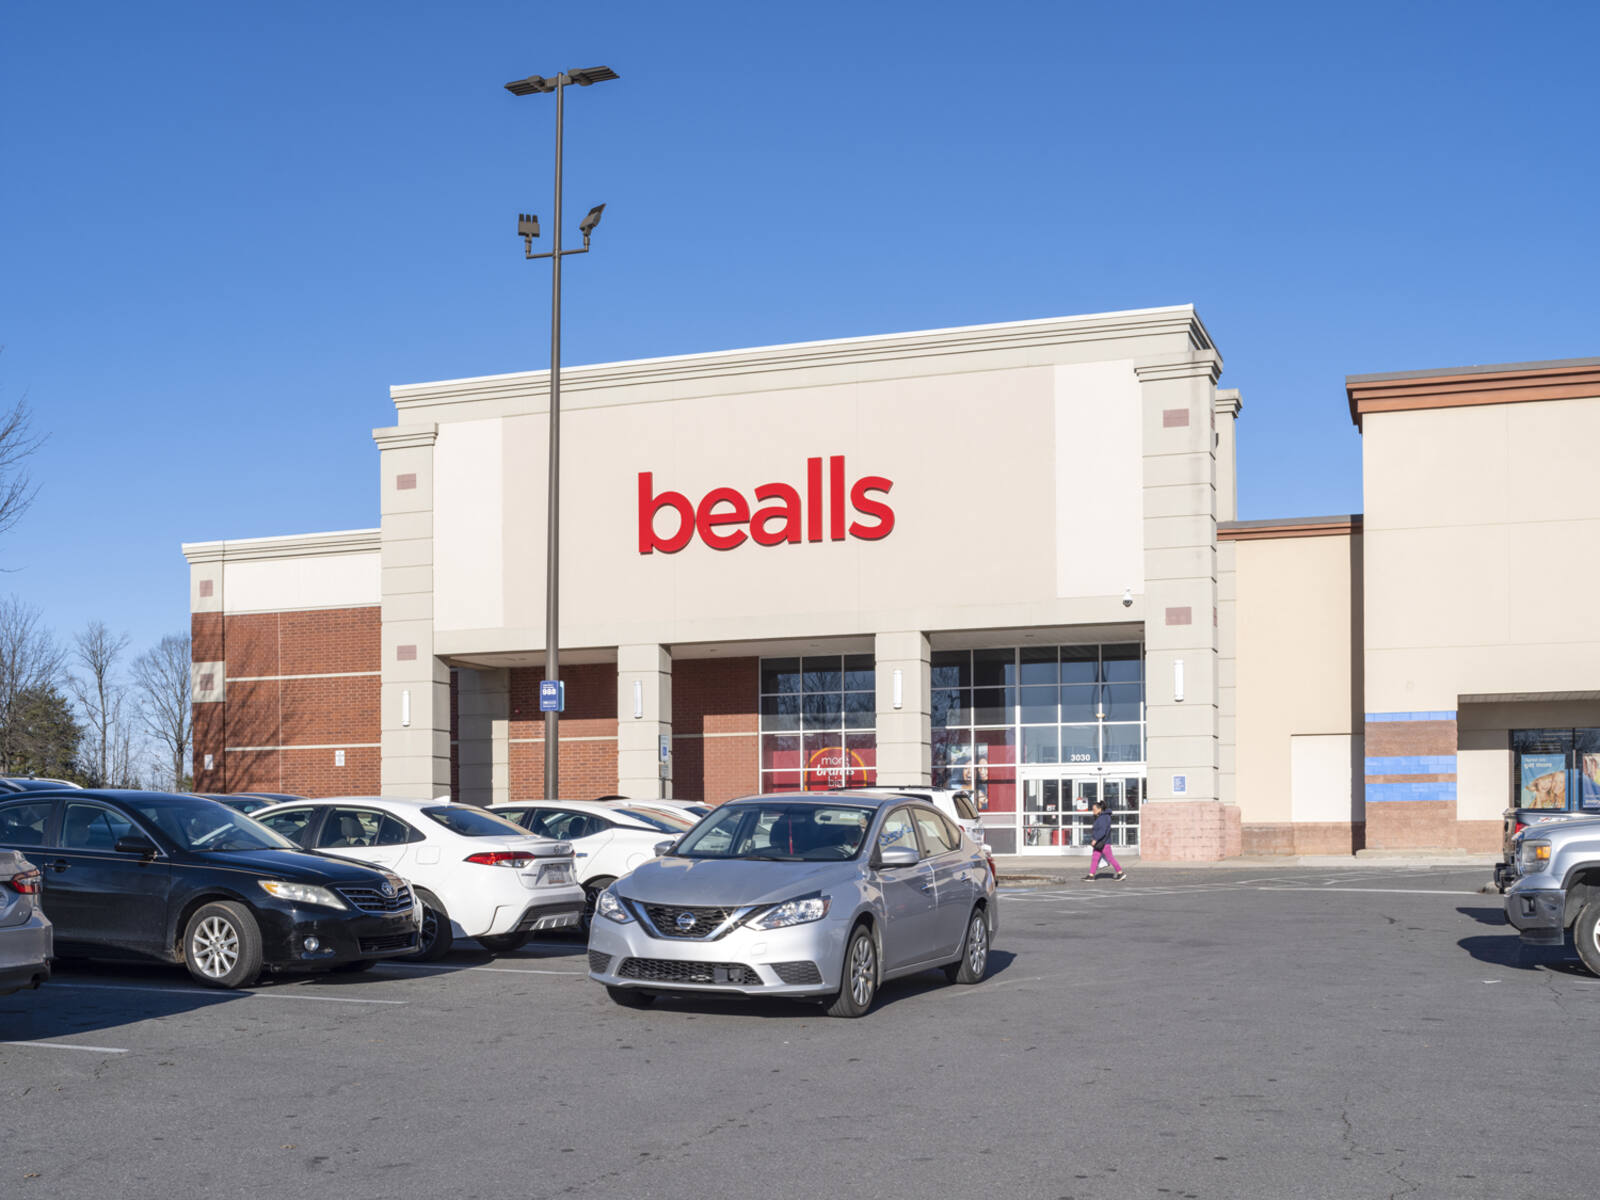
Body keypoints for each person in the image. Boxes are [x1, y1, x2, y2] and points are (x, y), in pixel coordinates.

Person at [1084, 800, 1124, 881]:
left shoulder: (1103, 817)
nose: (1093, 811)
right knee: (1095, 858)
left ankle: (1120, 873)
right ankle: (1091, 875)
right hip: (1100, 842)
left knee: (1110, 858)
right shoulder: (1101, 817)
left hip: (1103, 842)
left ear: (1099, 809)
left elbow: (1102, 831)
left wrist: (1095, 839)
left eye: (1094, 809)